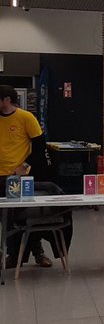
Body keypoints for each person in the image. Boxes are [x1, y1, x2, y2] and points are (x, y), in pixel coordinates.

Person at [0, 85, 51, 268]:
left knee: (22, 217)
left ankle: (36, 252)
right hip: (0, 175)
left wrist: (25, 166)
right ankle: (13, 254)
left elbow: (40, 146)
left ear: (6, 100)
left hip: (17, 177)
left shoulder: (26, 118)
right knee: (5, 218)